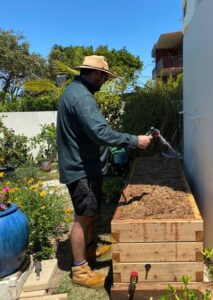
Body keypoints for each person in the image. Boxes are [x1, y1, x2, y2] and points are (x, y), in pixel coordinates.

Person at [56, 55, 153, 289]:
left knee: (90, 214)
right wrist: (135, 140)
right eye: (105, 77)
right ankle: (80, 270)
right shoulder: (81, 98)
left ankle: (89, 253)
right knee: (82, 218)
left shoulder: (75, 92)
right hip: (81, 169)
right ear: (96, 74)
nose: (105, 82)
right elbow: (101, 133)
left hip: (84, 165)